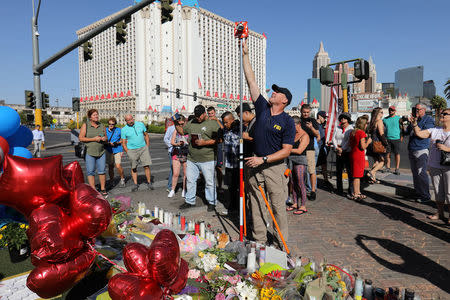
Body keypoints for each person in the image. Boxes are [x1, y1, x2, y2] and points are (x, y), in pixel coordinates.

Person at [242, 39, 296, 249]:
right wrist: (245, 55)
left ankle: (282, 245)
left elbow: (286, 151)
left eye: (277, 92)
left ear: (285, 101)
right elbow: (251, 81)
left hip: (273, 168)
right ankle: (259, 240)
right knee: (255, 204)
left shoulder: (288, 121)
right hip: (254, 166)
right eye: (273, 91)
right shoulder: (262, 108)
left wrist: (263, 159)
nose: (272, 93)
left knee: (277, 207)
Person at [410, 108, 450, 224]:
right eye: (441, 113)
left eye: (445, 114)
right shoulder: (435, 130)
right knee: (438, 191)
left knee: (449, 192)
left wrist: (447, 149)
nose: (441, 115)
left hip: (449, 167)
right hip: (434, 165)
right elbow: (419, 133)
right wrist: (415, 124)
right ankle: (440, 212)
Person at [178, 105, 220, 211]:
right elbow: (182, 131)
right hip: (192, 158)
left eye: (199, 116)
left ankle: (212, 202)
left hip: (208, 158)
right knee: (190, 180)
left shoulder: (212, 124)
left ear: (204, 114)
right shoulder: (192, 122)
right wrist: (175, 123)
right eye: (196, 116)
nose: (197, 118)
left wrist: (204, 142)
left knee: (209, 182)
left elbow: (219, 140)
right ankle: (190, 201)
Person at [404, 103, 435, 203]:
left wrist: (415, 123)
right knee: (415, 173)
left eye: (418, 109)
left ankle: (425, 195)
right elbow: (407, 132)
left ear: (424, 110)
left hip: (421, 148)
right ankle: (418, 192)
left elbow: (424, 133)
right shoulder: (414, 119)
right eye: (415, 109)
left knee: (421, 173)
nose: (416, 111)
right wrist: (403, 124)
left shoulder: (429, 119)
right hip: (412, 148)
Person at [79, 109, 108, 197]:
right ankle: (93, 189)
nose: (96, 116)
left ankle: (103, 189)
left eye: (97, 115)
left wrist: (104, 139)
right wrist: (94, 139)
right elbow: (81, 138)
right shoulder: (86, 125)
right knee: (90, 171)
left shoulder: (102, 125)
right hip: (90, 152)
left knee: (102, 171)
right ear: (90, 117)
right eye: (94, 115)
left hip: (101, 151)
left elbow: (106, 137)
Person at [121, 114, 154, 192]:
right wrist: (128, 152)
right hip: (132, 150)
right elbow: (123, 143)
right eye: (128, 120)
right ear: (126, 121)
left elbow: (146, 135)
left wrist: (147, 146)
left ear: (133, 118)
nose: (130, 121)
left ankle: (149, 182)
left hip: (143, 148)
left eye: (131, 119)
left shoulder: (140, 124)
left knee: (146, 166)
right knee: (134, 168)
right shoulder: (124, 129)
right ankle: (135, 184)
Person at [287, 116, 310, 215]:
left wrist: (286, 150)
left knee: (301, 183)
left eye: (293, 125)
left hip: (300, 160)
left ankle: (303, 205)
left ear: (298, 124)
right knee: (293, 183)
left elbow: (300, 150)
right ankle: (295, 203)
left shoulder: (304, 135)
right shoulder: (292, 134)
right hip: (290, 160)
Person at [300, 104, 321, 200]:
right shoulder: (298, 121)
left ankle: (313, 190)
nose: (305, 114)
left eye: (307, 112)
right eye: (304, 112)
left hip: (309, 149)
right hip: (299, 150)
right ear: (301, 111)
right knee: (299, 171)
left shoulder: (312, 121)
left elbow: (317, 134)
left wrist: (311, 127)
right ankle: (300, 190)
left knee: (311, 170)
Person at [221, 111, 241, 213]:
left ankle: (240, 209)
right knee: (231, 187)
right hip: (229, 163)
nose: (225, 125)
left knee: (239, 188)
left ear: (232, 120)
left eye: (226, 122)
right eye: (223, 122)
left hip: (238, 164)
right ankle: (232, 208)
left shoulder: (239, 129)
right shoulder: (225, 130)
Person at [350, 115, 372, 200]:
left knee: (356, 175)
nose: (367, 125)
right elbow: (363, 147)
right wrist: (368, 142)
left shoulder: (353, 132)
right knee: (357, 176)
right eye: (366, 124)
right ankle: (356, 193)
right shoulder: (361, 133)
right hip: (359, 155)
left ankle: (357, 192)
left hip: (353, 154)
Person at [332, 113, 354, 196]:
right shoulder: (337, 128)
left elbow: (348, 141)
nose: (342, 120)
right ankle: (339, 189)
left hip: (347, 152)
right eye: (341, 118)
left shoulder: (350, 129)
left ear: (348, 120)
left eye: (344, 118)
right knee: (339, 171)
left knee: (349, 172)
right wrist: (336, 148)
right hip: (338, 150)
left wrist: (342, 149)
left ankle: (350, 190)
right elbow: (333, 138)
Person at [168, 115, 188, 198]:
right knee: (175, 173)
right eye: (179, 124)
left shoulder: (187, 131)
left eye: (182, 124)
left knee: (185, 174)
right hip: (176, 152)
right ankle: (172, 190)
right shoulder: (176, 130)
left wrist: (185, 142)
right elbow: (172, 142)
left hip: (186, 153)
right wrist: (177, 144)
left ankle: (184, 189)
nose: (180, 125)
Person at [366, 107, 388, 184]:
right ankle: (371, 172)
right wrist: (385, 143)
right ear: (377, 113)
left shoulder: (372, 122)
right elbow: (381, 133)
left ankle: (372, 178)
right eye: (381, 112)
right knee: (383, 161)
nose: (382, 114)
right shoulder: (379, 121)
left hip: (371, 144)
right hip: (378, 143)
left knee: (376, 161)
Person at [207, 107, 224, 191]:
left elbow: (223, 129)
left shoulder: (219, 122)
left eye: (212, 113)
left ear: (215, 113)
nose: (210, 115)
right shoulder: (206, 122)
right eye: (209, 114)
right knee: (208, 168)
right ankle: (209, 187)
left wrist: (216, 120)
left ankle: (220, 186)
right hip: (209, 148)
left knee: (218, 168)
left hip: (218, 147)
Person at [105, 117, 125, 187]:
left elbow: (123, 139)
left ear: (115, 124)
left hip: (117, 149)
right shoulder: (105, 130)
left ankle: (122, 179)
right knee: (110, 166)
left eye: (112, 124)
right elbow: (102, 139)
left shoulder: (119, 130)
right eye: (109, 124)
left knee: (118, 165)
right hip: (109, 150)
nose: (111, 125)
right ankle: (112, 180)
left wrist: (117, 143)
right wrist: (107, 143)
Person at [383, 106, 403, 175]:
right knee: (387, 154)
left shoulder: (399, 119)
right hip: (388, 139)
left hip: (396, 139)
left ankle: (397, 169)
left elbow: (402, 129)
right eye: (390, 110)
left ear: (395, 111)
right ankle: (388, 168)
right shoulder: (385, 119)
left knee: (397, 154)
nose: (391, 111)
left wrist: (401, 137)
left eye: (392, 110)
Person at [316, 110, 332, 188]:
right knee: (314, 165)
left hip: (322, 148)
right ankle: (314, 182)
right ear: (319, 116)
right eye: (324, 117)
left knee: (324, 164)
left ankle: (325, 180)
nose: (325, 119)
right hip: (316, 148)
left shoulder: (323, 126)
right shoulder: (315, 125)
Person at [164, 117, 176, 192]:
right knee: (173, 169)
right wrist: (172, 145)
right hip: (172, 150)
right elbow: (165, 139)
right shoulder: (171, 128)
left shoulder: (183, 128)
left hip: (183, 151)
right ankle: (170, 186)